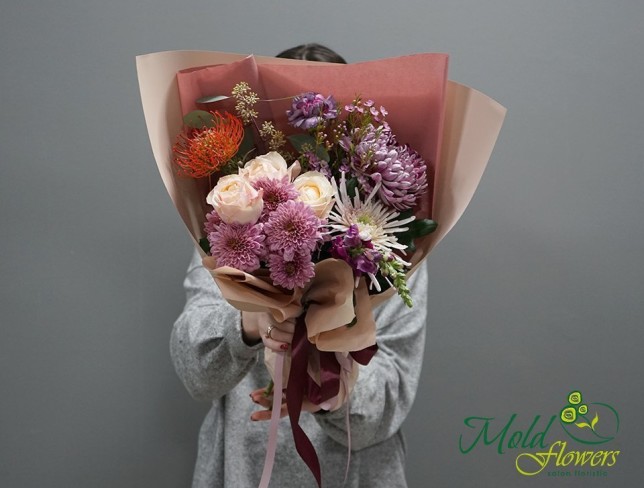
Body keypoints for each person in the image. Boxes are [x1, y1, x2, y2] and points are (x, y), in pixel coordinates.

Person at [170, 44, 429, 488]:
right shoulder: (227, 228)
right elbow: (195, 370)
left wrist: (332, 379)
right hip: (244, 467)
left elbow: (387, 403)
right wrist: (248, 322)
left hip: (356, 472)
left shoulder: (391, 251)